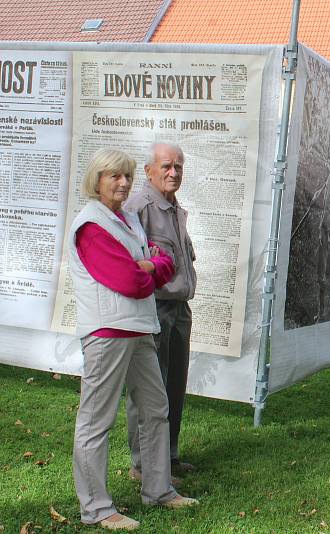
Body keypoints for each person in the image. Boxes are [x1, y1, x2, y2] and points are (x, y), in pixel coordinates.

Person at [69, 148, 197, 530]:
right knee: (97, 421)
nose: (123, 183)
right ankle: (96, 508)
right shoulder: (92, 225)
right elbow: (130, 280)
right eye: (114, 176)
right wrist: (148, 267)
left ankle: (158, 490)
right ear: (97, 180)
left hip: (140, 328)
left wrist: (150, 265)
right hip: (108, 331)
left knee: (156, 409)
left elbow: (166, 261)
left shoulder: (125, 218)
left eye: (126, 176)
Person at [125, 143, 198, 480]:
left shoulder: (173, 207)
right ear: (148, 171)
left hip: (179, 309)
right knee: (149, 388)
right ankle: (143, 465)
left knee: (174, 385)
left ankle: (168, 456)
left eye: (178, 167)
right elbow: (130, 266)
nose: (173, 173)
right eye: (167, 166)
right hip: (154, 308)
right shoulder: (138, 207)